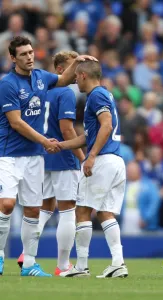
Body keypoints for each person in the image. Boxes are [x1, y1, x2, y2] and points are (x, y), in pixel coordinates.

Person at [0, 36, 96, 277]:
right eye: (23, 54)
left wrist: (78, 62)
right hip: (9, 155)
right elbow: (16, 122)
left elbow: (63, 79)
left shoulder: (42, 78)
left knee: (33, 210)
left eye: (31, 52)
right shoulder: (8, 84)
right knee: (7, 204)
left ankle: (29, 263)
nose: (29, 57)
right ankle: (0, 255)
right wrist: (45, 141)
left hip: (35, 157)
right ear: (13, 58)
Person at [17, 51, 85, 275]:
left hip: (40, 155)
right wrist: (82, 157)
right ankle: (63, 266)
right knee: (68, 210)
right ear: (59, 70)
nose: (77, 74)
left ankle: (26, 254)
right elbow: (66, 129)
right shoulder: (65, 92)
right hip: (61, 155)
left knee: (44, 207)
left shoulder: (40, 89)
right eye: (72, 68)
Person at [58, 61, 128, 278]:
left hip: (103, 159)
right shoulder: (106, 95)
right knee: (105, 212)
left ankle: (81, 266)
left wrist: (92, 156)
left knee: (82, 210)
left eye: (77, 77)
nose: (75, 81)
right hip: (116, 159)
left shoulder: (96, 96)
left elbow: (106, 126)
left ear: (83, 76)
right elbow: (89, 136)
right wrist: (59, 145)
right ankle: (118, 263)